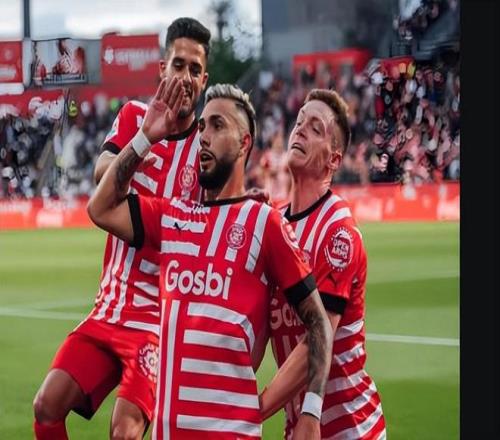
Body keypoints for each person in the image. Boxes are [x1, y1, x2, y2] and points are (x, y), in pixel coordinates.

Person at [87, 81, 333, 439]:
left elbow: (319, 322)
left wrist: (311, 412)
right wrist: (144, 138)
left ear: (244, 143)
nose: (203, 136)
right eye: (202, 126)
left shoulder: (264, 223)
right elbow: (100, 208)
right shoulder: (172, 216)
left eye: (218, 126)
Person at [33, 17, 211, 440]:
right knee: (46, 408)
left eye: (195, 69)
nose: (185, 77)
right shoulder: (134, 117)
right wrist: (147, 138)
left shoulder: (206, 146)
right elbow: (102, 177)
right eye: (178, 65)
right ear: (162, 69)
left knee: (125, 432)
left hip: (158, 322)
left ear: (204, 80)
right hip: (109, 309)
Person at [260, 89, 386, 439]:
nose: (300, 129)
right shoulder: (272, 223)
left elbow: (318, 336)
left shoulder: (337, 231)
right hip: (299, 428)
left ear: (334, 159)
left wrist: (251, 412)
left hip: (351, 430)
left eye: (315, 128)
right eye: (299, 122)